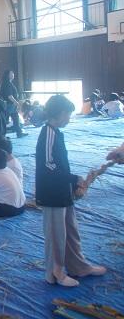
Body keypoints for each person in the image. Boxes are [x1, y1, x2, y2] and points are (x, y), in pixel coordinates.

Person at [36, 95, 106, 287]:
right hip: (52, 194)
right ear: (59, 114)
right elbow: (48, 165)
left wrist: (72, 181)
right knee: (56, 235)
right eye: (67, 114)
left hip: (62, 191)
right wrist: (72, 179)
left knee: (70, 231)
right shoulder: (48, 133)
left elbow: (59, 165)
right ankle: (55, 272)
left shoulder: (57, 133)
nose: (69, 118)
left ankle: (78, 266)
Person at [0, 70, 27, 138]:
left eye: (13, 73)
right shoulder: (7, 83)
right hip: (9, 104)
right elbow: (9, 96)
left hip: (11, 104)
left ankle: (19, 133)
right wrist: (16, 103)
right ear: (7, 75)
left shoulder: (9, 83)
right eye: (11, 73)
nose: (13, 74)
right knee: (5, 120)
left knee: (15, 118)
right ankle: (2, 135)